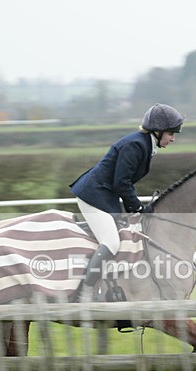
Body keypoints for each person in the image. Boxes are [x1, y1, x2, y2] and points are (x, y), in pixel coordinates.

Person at [69, 103, 184, 296]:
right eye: (171, 133)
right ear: (157, 131)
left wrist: (137, 208)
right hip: (93, 195)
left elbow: (123, 182)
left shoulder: (144, 144)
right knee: (111, 243)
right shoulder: (136, 145)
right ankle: (84, 293)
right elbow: (121, 182)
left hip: (104, 196)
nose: (173, 139)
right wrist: (139, 208)